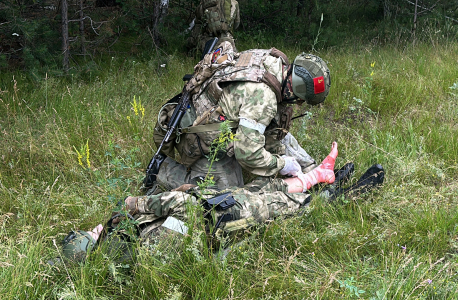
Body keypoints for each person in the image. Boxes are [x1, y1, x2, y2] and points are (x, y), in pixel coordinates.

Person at [60, 142, 385, 262]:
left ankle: (322, 175)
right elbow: (179, 215)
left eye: (92, 230)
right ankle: (345, 192)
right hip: (223, 216)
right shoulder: (144, 246)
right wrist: (139, 203)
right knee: (289, 205)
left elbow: (177, 209)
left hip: (213, 207)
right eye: (92, 234)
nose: (97, 227)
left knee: (269, 186)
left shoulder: (127, 237)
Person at [149, 41, 331, 194]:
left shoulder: (274, 61)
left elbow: (272, 130)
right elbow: (247, 153)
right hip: (200, 136)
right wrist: (282, 165)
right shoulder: (263, 98)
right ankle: (162, 169)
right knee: (225, 194)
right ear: (296, 92)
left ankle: (314, 171)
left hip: (218, 114)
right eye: (300, 101)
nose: (298, 105)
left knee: (279, 134)